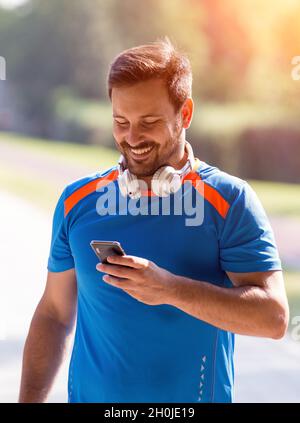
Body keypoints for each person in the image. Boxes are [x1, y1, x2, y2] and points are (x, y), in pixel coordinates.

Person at [19, 37, 289, 403]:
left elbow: (273, 318)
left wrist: (171, 289)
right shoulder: (77, 202)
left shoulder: (231, 201)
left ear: (186, 114)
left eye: (149, 122)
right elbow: (53, 313)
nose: (132, 138)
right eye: (120, 121)